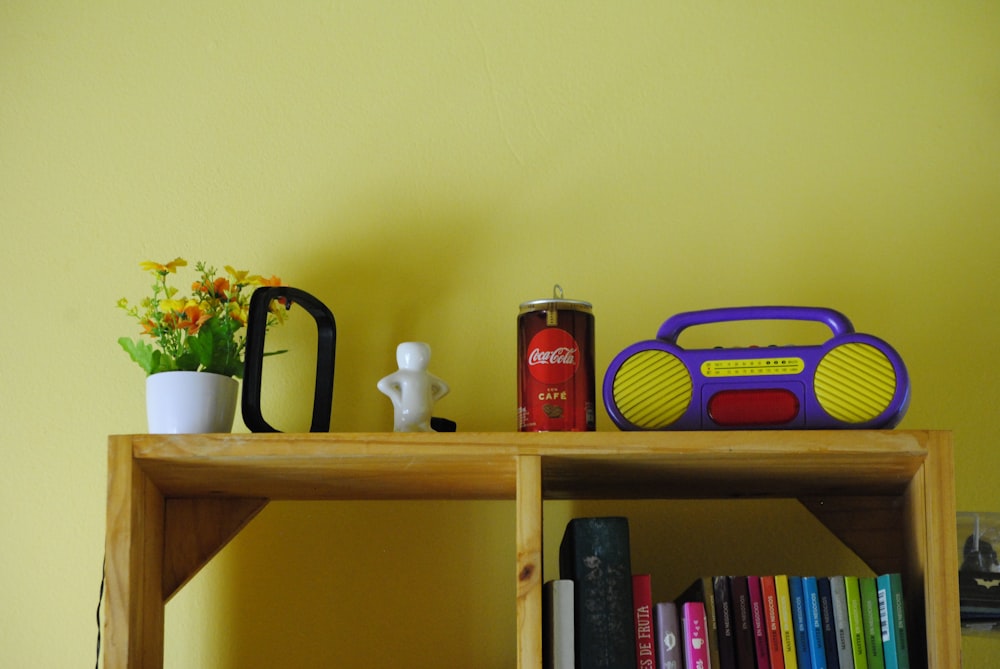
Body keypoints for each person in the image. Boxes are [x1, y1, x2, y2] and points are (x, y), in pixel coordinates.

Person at [377, 342, 450, 432]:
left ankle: (424, 428)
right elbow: (382, 384)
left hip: (425, 419)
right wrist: (396, 396)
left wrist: (432, 399)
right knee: (405, 430)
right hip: (405, 419)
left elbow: (444, 388)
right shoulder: (403, 374)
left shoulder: (426, 376)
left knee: (426, 431)